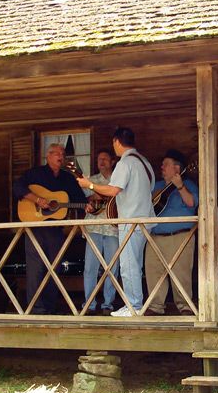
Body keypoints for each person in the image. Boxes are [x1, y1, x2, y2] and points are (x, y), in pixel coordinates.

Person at [76, 127, 154, 317]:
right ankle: (134, 304)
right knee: (135, 263)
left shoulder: (125, 163)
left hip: (130, 220)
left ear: (117, 142)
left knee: (128, 265)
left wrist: (89, 185)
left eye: (113, 143)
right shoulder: (145, 163)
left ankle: (134, 306)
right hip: (146, 219)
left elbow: (113, 190)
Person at [14, 143, 90, 314]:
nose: (60, 156)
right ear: (47, 156)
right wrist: (37, 200)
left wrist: (87, 206)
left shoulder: (67, 178)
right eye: (56, 153)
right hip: (35, 227)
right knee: (36, 268)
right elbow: (17, 187)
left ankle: (49, 307)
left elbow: (79, 198)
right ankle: (35, 308)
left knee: (53, 267)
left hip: (55, 230)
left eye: (62, 153)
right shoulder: (35, 174)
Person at [144, 149, 198, 316]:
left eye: (165, 164)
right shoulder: (157, 186)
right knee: (153, 272)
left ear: (177, 168)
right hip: (155, 237)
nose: (162, 166)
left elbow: (191, 203)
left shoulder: (188, 185)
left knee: (181, 273)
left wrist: (180, 186)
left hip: (180, 236)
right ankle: (155, 306)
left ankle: (185, 306)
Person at [82, 148, 119, 314]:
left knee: (112, 267)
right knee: (90, 267)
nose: (101, 162)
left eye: (105, 159)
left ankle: (107, 304)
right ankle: (89, 303)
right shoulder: (91, 180)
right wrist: (89, 201)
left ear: (112, 162)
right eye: (99, 159)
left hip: (112, 229)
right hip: (94, 227)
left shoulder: (118, 180)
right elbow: (84, 200)